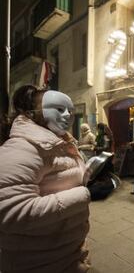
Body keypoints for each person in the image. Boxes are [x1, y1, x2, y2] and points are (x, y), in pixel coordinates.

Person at [0, 85, 92, 272]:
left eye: (70, 110)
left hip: (67, 253)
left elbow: (63, 179)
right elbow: (11, 213)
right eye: (58, 109)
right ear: (32, 113)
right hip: (37, 262)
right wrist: (84, 194)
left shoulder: (61, 143)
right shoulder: (21, 149)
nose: (67, 115)